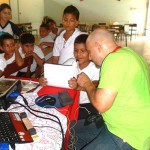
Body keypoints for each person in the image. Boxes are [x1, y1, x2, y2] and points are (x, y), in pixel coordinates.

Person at [76, 29, 150, 150]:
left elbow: (101, 104)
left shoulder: (113, 60)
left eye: (89, 52)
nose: (89, 57)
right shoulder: (129, 54)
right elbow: (114, 85)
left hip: (127, 133)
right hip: (134, 127)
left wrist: (87, 84)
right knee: (73, 130)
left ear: (98, 46)